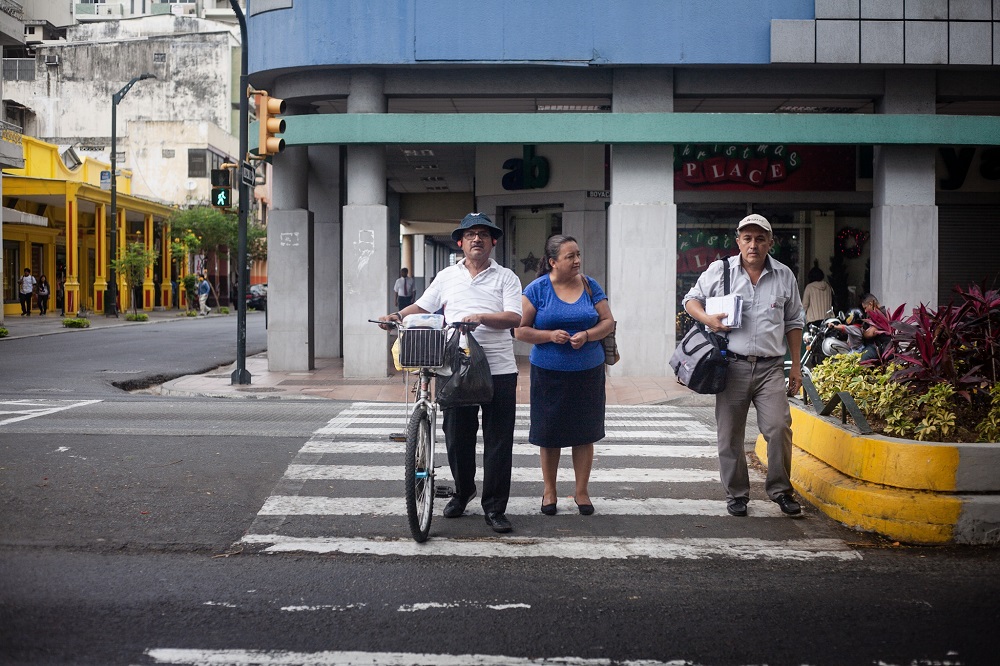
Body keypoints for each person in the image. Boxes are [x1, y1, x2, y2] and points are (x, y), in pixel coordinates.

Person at [379, 212, 522, 534]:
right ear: (460, 242)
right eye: (470, 234)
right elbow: (424, 305)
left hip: (498, 370)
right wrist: (396, 315)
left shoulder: (507, 277)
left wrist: (482, 317)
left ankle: (495, 507)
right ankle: (463, 491)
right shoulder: (447, 276)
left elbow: (514, 317)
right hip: (455, 367)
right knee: (458, 438)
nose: (477, 239)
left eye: (483, 234)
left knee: (499, 441)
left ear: (493, 241)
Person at [683, 213, 804, 518]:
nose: (753, 245)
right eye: (747, 238)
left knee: (778, 428)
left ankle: (780, 490)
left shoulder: (784, 275)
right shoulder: (720, 271)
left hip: (770, 368)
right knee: (729, 435)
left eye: (760, 238)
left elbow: (794, 322)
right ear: (738, 241)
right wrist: (708, 318)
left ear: (770, 243)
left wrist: (796, 367)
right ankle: (737, 494)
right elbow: (690, 300)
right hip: (731, 366)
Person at [514, 235, 615, 516]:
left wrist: (587, 334)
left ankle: (581, 492)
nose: (577, 261)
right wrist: (548, 335)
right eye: (570, 256)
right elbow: (520, 330)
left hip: (588, 372)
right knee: (550, 434)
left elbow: (608, 322)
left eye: (578, 255)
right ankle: (550, 490)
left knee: (585, 433)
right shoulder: (537, 290)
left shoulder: (589, 285)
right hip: (548, 373)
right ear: (552, 262)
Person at [860, 293, 892, 362]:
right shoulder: (874, 315)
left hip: (882, 347)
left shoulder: (881, 314)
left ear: (871, 304)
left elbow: (870, 333)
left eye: (865, 308)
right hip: (878, 347)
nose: (865, 311)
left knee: (862, 360)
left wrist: (863, 332)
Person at [801, 262, 833, 328]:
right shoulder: (828, 286)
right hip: (827, 319)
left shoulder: (809, 287)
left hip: (813, 321)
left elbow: (804, 305)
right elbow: (831, 303)